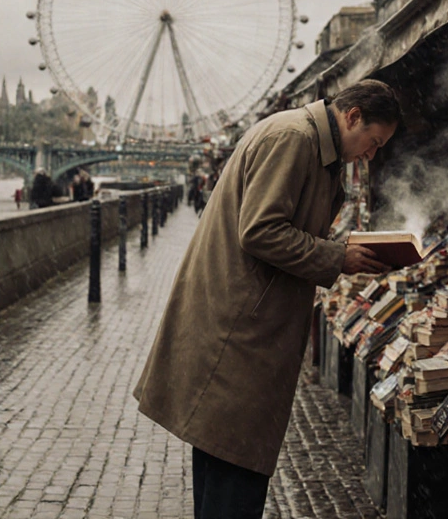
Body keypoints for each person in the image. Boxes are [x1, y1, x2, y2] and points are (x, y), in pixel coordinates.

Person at [134, 80, 401, 519]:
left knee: (223, 460)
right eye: (373, 143)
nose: (371, 155)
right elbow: (259, 230)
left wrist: (340, 247)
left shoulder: (308, 142)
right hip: (240, 330)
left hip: (246, 323)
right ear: (352, 116)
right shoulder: (293, 140)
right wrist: (338, 255)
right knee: (234, 472)